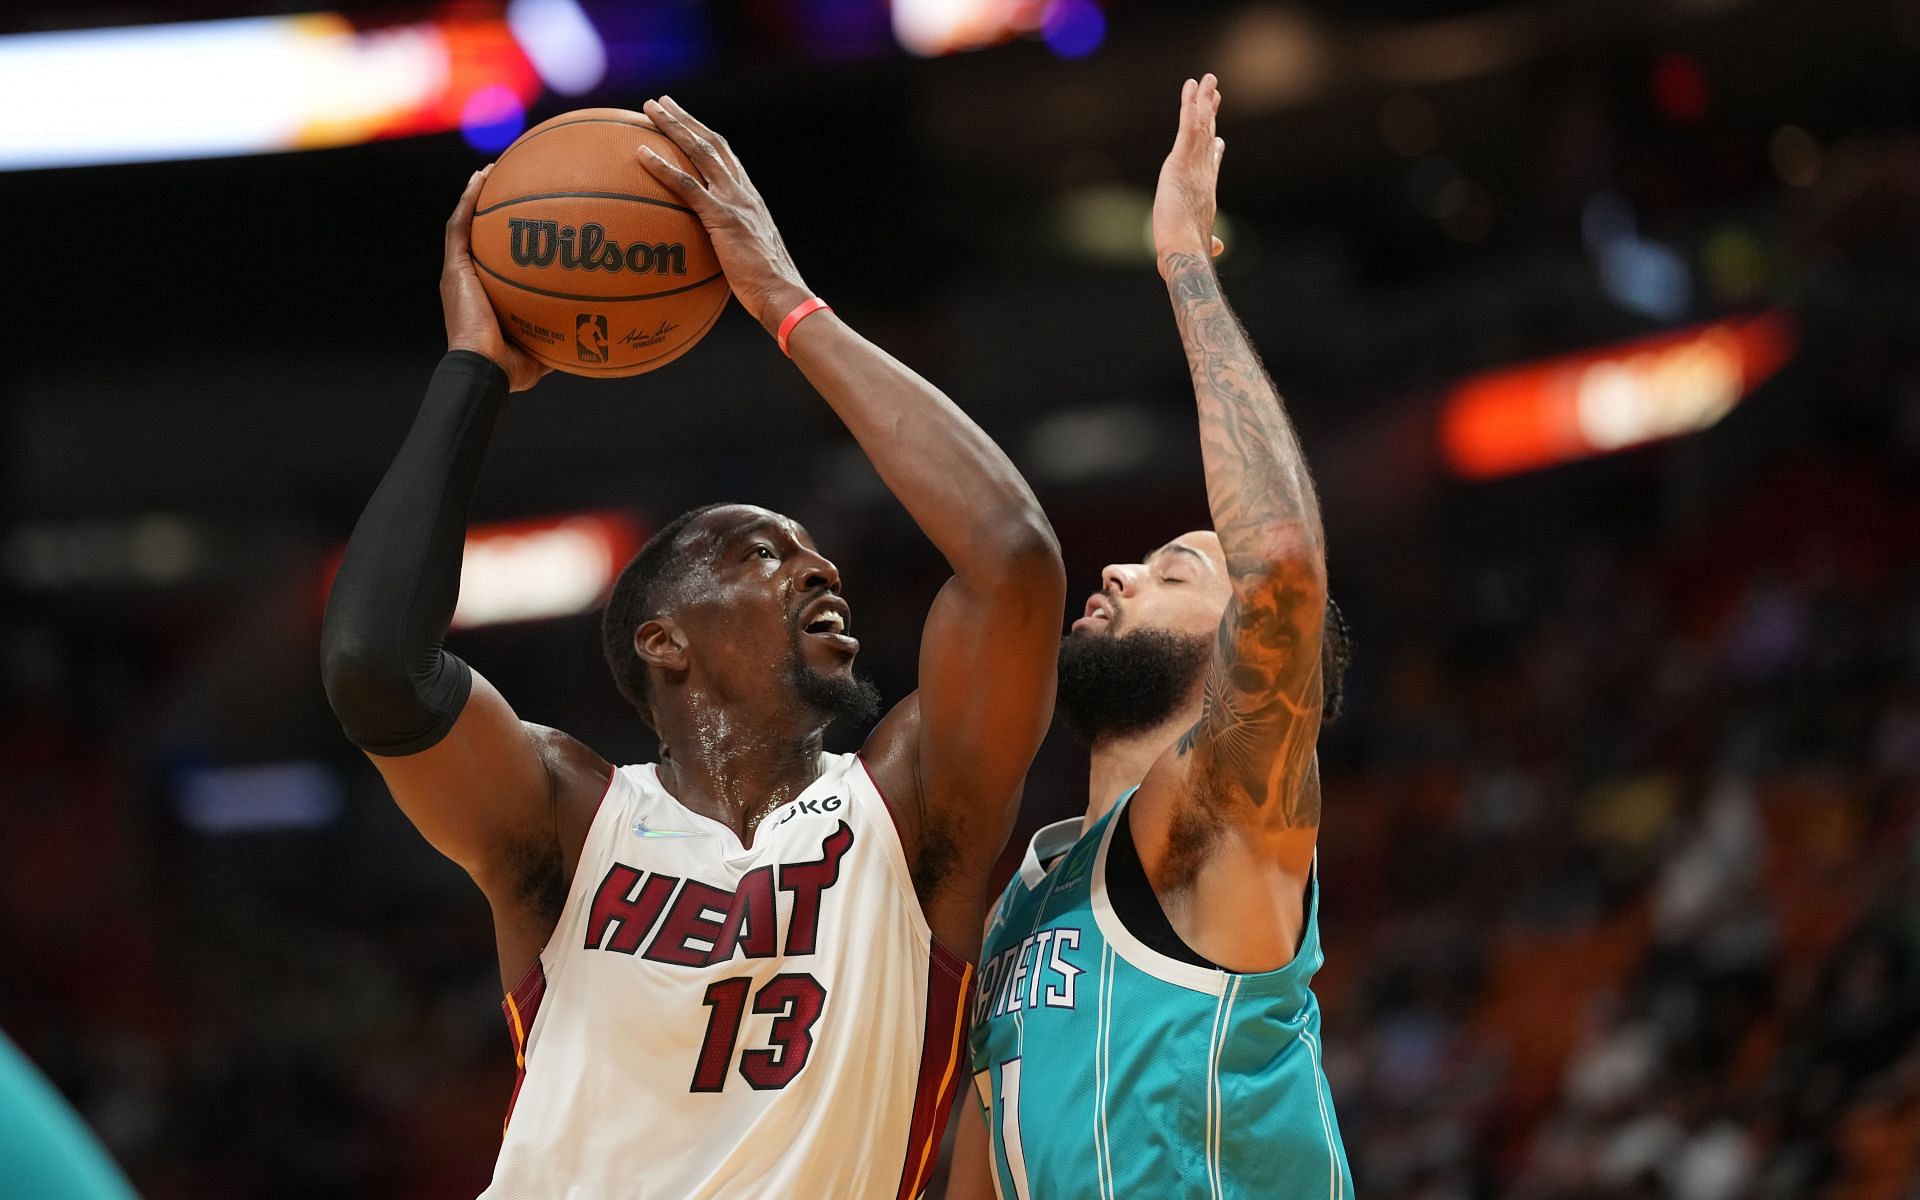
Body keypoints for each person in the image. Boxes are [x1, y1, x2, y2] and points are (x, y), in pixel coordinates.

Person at [319, 95, 1065, 1199]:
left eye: (816, 555)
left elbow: (1011, 560)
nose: (818, 571)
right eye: (763, 553)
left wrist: (784, 303)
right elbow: (375, 668)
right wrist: (472, 373)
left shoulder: (911, 808)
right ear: (662, 640)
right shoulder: (569, 815)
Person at [950, 75, 1355, 1200]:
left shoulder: (1220, 822)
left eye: (1177, 566)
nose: (1117, 570)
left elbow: (1283, 570)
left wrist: (1186, 262)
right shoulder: (1023, 898)